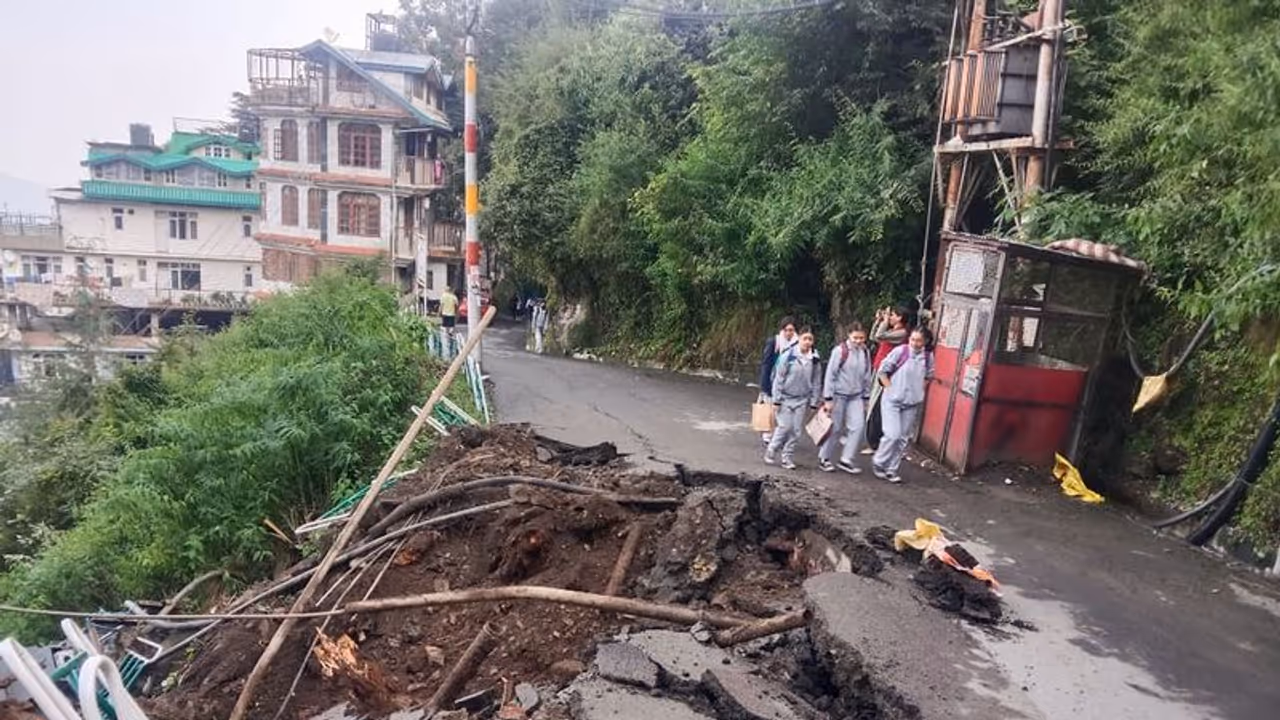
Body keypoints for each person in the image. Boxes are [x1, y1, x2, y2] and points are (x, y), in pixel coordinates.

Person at [872, 328, 934, 484]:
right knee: (892, 434)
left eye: (918, 340)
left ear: (925, 341)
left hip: (912, 403)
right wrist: (889, 388)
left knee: (902, 439)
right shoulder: (900, 351)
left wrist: (920, 390)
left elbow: (929, 375)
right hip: (892, 400)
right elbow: (882, 371)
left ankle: (891, 469)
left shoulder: (927, 356)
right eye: (912, 339)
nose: (914, 343)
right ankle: (879, 461)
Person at [818, 323, 873, 474]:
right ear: (849, 335)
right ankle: (825, 458)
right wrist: (828, 398)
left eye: (861, 338)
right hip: (838, 395)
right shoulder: (840, 351)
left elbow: (867, 376)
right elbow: (830, 375)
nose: (858, 341)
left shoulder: (865, 353)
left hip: (856, 396)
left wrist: (866, 398)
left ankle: (846, 459)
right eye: (855, 337)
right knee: (834, 428)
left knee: (858, 427)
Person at [765, 329, 822, 471]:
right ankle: (772, 449)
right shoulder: (788, 356)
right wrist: (776, 400)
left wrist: (814, 401)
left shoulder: (814, 359)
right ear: (799, 340)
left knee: (796, 431)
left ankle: (787, 457)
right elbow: (779, 379)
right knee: (785, 426)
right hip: (784, 398)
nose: (807, 342)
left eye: (810, 339)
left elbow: (816, 381)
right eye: (805, 339)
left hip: (801, 399)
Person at [863, 305, 911, 455]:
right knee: (872, 403)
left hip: (887, 374)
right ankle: (874, 442)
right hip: (879, 369)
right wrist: (878, 321)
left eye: (892, 315)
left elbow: (879, 336)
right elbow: (873, 336)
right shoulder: (891, 331)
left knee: (876, 406)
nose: (889, 317)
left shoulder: (902, 333)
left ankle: (875, 443)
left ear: (900, 318)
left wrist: (883, 321)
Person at [757, 316, 798, 447]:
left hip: (788, 383)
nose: (789, 333)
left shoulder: (798, 344)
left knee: (783, 411)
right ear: (782, 330)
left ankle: (780, 436)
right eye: (786, 330)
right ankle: (768, 435)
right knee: (771, 409)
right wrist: (764, 386)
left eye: (791, 330)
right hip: (772, 380)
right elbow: (766, 364)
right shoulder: (774, 342)